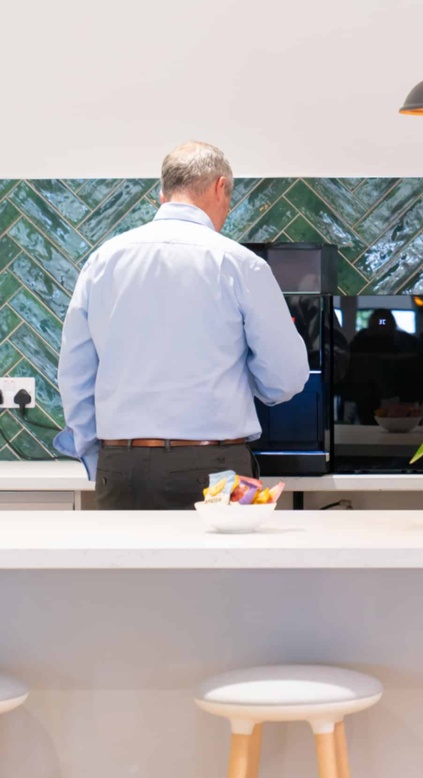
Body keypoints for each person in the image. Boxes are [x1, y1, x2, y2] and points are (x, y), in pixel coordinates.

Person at [55, 141, 309, 510]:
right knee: (222, 553)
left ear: (163, 194)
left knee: (125, 552)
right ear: (220, 187)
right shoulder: (240, 264)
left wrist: (101, 456)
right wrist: (247, 381)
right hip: (214, 467)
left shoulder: (103, 260)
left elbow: (75, 373)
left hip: (120, 466)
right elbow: (286, 377)